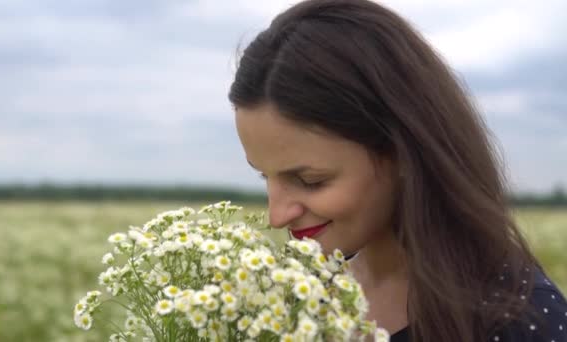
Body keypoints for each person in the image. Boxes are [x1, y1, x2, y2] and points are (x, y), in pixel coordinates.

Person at [227, 0, 567, 341]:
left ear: (403, 153)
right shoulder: (298, 294)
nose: (277, 216)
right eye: (264, 176)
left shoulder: (520, 318)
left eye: (310, 180)